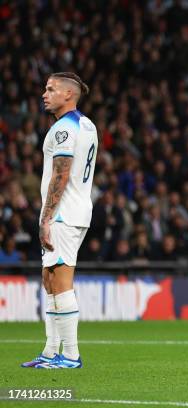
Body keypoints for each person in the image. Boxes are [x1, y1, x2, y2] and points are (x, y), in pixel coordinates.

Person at [21, 72, 98, 369]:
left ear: (69, 95)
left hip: (64, 213)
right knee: (49, 279)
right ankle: (52, 351)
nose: (44, 93)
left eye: (51, 89)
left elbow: (61, 173)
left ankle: (71, 355)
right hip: (74, 209)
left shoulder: (63, 129)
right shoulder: (86, 124)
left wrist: (46, 218)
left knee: (61, 282)